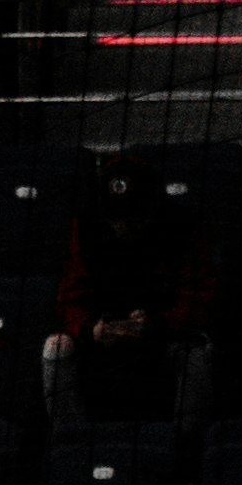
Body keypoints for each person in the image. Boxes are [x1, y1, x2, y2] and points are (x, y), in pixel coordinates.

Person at [45, 150, 218, 434]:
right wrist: (91, 330)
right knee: (55, 347)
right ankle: (71, 444)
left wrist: (157, 325)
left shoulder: (182, 227)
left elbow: (200, 298)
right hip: (102, 335)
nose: (123, 226)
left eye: (132, 217)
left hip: (164, 334)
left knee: (197, 352)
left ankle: (185, 449)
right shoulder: (87, 228)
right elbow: (70, 298)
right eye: (117, 218)